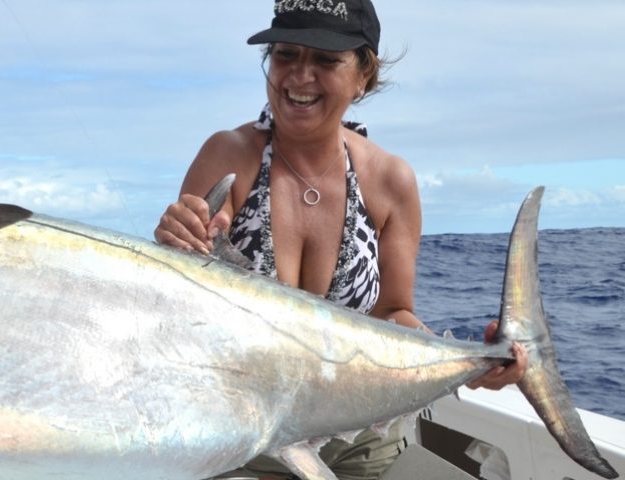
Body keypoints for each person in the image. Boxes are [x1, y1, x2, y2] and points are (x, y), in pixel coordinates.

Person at [153, 0, 526, 478]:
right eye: (286, 54)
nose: (299, 77)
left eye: (327, 60)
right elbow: (195, 260)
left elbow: (392, 313)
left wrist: (474, 364)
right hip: (241, 439)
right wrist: (181, 237)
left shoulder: (391, 181)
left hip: (360, 439)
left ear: (364, 74)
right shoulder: (231, 154)